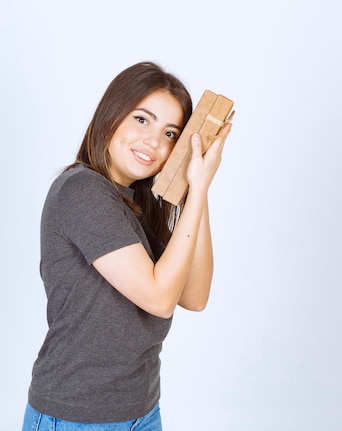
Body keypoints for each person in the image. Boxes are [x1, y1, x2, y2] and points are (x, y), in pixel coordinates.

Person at [22, 61, 232, 431]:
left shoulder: (134, 202)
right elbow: (159, 297)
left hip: (142, 410)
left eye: (171, 134)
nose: (153, 142)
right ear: (112, 114)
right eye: (142, 120)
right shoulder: (82, 191)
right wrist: (197, 189)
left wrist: (197, 186)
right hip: (77, 417)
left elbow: (194, 296)